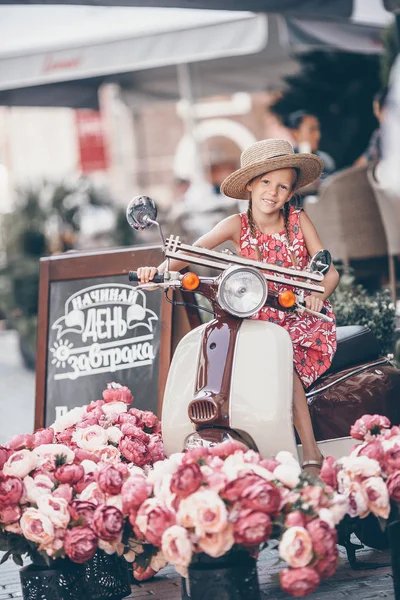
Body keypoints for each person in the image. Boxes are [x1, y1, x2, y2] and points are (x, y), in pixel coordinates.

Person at [137, 139, 339, 475]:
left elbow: (327, 269)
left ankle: (311, 452)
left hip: (301, 319)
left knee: (283, 365)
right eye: (265, 183)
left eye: (282, 186)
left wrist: (318, 292)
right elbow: (192, 252)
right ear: (249, 185)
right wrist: (156, 273)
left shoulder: (299, 221)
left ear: (290, 194)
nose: (272, 192)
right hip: (257, 317)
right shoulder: (236, 225)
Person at [286, 110, 336, 179]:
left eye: (318, 129)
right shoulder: (287, 162)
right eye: (312, 130)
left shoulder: (325, 161)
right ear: (295, 133)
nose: (318, 135)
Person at [354, 88, 388, 167]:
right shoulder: (379, 134)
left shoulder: (383, 135)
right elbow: (364, 159)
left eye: (376, 110)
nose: (376, 114)